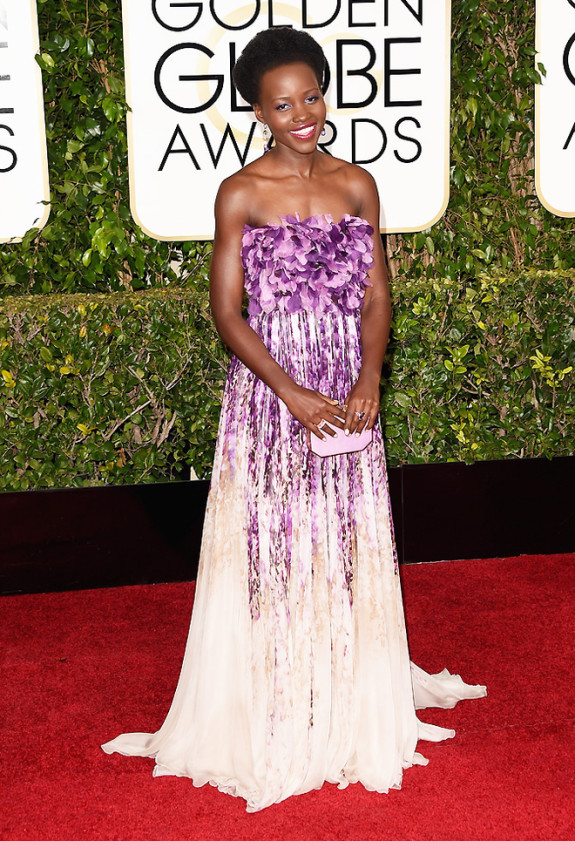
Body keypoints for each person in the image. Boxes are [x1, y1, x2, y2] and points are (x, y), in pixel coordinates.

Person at [102, 27, 486, 812]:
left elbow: (378, 293)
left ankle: (347, 684)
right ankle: (277, 688)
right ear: (257, 110)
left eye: (310, 95)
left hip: (348, 383)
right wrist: (288, 390)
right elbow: (226, 312)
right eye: (282, 103)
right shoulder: (240, 193)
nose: (301, 113)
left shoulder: (356, 184)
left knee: (344, 536)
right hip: (272, 390)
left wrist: (368, 372)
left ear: (323, 93)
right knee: (273, 539)